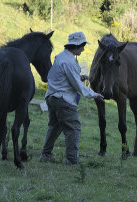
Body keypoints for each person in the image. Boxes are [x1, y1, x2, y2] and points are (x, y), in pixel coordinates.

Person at [40, 32, 104, 165]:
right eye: (83, 46)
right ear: (77, 45)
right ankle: (71, 159)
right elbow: (77, 85)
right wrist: (94, 94)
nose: (84, 48)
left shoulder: (62, 56)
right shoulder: (68, 61)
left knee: (54, 126)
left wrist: (79, 77)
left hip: (52, 97)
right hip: (63, 99)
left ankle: (45, 155)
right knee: (73, 127)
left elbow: (64, 77)